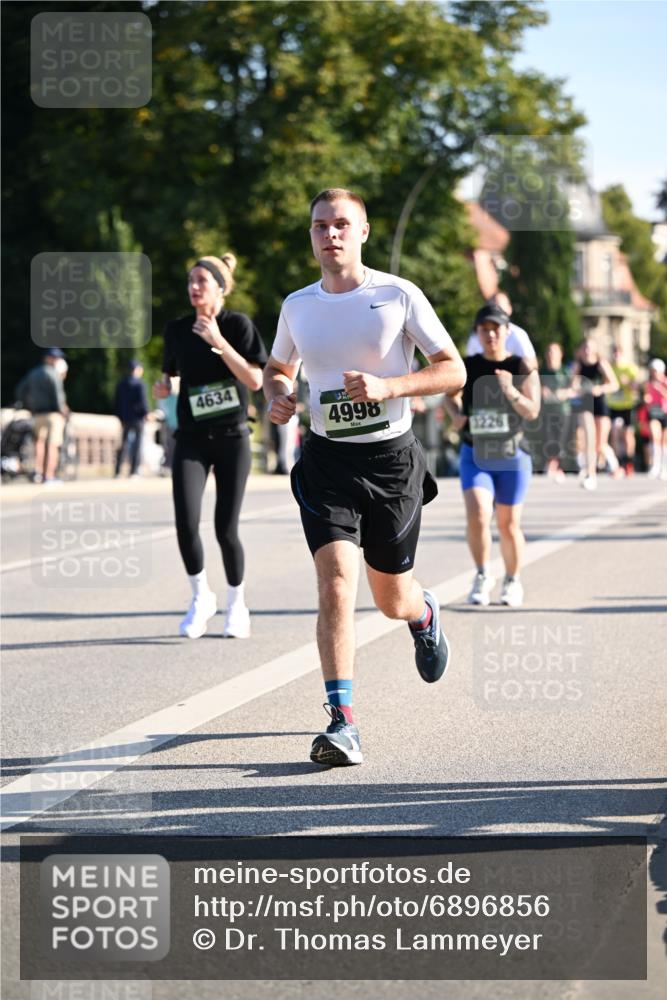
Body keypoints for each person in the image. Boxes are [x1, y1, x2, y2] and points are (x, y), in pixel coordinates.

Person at [264, 187, 466, 767]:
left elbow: (452, 370)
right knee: (334, 586)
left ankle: (423, 614)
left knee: (390, 599)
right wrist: (279, 395)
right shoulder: (297, 306)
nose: (330, 234)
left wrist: (389, 387)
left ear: (364, 232)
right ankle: (342, 722)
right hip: (327, 461)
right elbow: (280, 367)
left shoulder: (398, 295)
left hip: (391, 463)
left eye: (341, 225)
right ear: (311, 236)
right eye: (320, 225)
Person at [153, 254, 267, 639]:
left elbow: (254, 380)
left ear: (220, 286)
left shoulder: (237, 325)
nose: (194, 287)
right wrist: (164, 387)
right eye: (190, 280)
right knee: (185, 522)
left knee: (225, 528)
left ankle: (238, 603)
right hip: (191, 438)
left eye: (202, 280)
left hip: (233, 437)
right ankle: (201, 596)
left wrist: (219, 343)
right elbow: (171, 376)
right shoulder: (177, 329)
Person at [444, 303, 541, 608]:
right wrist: (456, 414)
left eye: (495, 328)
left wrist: (510, 391)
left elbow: (533, 410)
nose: (490, 335)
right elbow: (448, 393)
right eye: (484, 329)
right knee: (478, 514)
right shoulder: (467, 365)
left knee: (508, 523)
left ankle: (512, 580)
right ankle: (483, 574)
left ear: (506, 331)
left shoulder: (521, 366)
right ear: (477, 333)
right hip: (476, 452)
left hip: (512, 454)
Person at [15, 347, 69, 484]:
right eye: (56, 358)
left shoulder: (33, 373)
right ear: (50, 359)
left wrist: (28, 405)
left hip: (37, 413)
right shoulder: (53, 374)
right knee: (53, 445)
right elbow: (58, 396)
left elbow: (20, 390)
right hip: (53, 415)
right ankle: (49, 476)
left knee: (39, 443)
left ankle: (38, 472)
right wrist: (62, 410)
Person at [570, 338, 619, 490]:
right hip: (586, 405)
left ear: (595, 349)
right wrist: (575, 389)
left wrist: (600, 389)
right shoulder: (578, 365)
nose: (587, 351)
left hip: (600, 405)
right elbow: (573, 385)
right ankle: (591, 474)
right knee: (589, 441)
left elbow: (614, 385)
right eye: (585, 347)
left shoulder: (601, 364)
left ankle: (614, 465)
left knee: (600, 444)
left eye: (590, 348)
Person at [465, 291, 536, 368]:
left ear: (509, 308)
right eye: (485, 329)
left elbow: (531, 365)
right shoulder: (474, 340)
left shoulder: (519, 335)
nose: (491, 334)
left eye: (500, 307)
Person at [539, 342, 574, 481]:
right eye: (549, 351)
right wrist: (541, 389)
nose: (551, 355)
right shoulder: (542, 372)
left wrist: (564, 393)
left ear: (560, 354)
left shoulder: (566, 371)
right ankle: (551, 464)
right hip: (546, 410)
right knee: (548, 438)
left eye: (554, 351)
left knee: (560, 439)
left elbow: (574, 389)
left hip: (562, 411)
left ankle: (555, 465)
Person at [114, 360, 149, 478]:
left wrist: (120, 417)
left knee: (123, 445)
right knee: (137, 445)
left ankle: (117, 471)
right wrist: (146, 413)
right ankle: (133, 471)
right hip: (138, 418)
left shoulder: (121, 383)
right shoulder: (140, 384)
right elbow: (143, 402)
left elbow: (116, 403)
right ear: (137, 370)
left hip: (125, 418)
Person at [609, 344, 639, 475]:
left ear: (622, 354)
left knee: (628, 434)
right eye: (614, 353)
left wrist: (627, 383)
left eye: (618, 353)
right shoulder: (610, 367)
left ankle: (629, 462)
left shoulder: (630, 368)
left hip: (627, 406)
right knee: (615, 432)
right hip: (614, 406)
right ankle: (619, 462)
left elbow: (637, 386)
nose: (616, 356)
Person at [643, 358, 667, 478]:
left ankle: (664, 467)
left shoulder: (665, 382)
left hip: (665, 412)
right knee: (655, 437)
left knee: (664, 441)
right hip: (654, 412)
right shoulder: (649, 384)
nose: (654, 373)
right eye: (653, 371)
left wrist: (661, 390)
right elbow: (647, 396)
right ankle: (655, 465)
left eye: (656, 371)